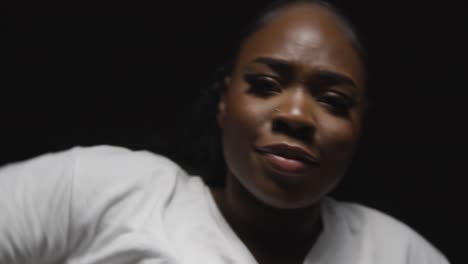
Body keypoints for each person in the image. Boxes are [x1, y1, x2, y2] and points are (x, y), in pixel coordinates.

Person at [0, 0, 449, 263]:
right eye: (266, 85)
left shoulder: (397, 253)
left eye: (333, 102)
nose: (295, 114)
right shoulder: (113, 192)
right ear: (223, 102)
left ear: (359, 128)